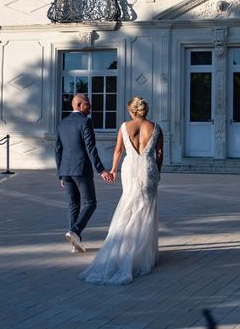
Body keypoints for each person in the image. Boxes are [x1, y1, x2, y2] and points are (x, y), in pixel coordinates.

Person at [81, 96, 163, 285]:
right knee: (146, 207)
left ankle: (124, 247)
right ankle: (142, 253)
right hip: (148, 168)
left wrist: (113, 170)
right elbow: (159, 153)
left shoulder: (125, 127)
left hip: (130, 168)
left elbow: (118, 150)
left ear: (132, 111)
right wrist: (158, 171)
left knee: (129, 203)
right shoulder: (156, 127)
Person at [56, 93, 114, 253]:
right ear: (78, 105)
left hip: (66, 170)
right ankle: (75, 231)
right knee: (90, 203)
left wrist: (60, 174)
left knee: (73, 205)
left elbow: (58, 150)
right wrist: (101, 170)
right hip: (81, 169)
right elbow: (91, 148)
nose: (90, 106)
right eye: (87, 104)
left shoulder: (62, 124)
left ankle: (75, 242)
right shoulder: (86, 122)